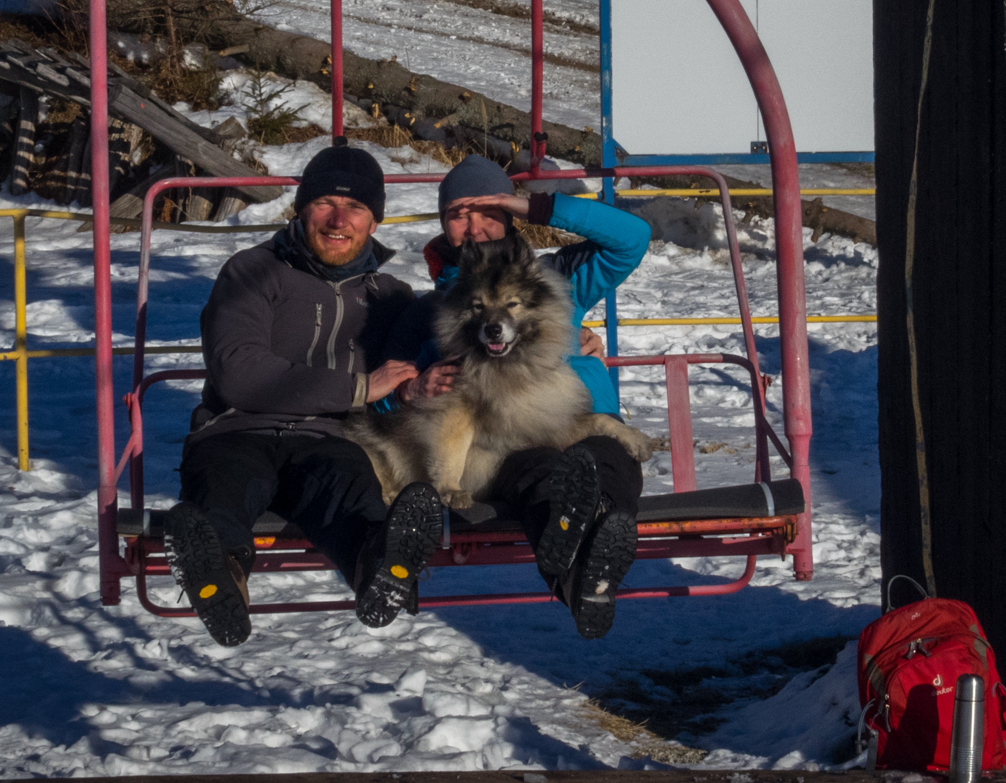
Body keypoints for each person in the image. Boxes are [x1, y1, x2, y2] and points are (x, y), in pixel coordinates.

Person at [163, 145, 450, 648]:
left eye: (356, 208)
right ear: (302, 208)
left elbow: (464, 327)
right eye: (325, 203)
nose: (339, 219)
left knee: (350, 492)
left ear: (374, 222)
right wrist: (359, 388)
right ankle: (220, 578)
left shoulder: (390, 297)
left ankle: (380, 567)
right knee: (224, 490)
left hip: (328, 437)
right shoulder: (252, 271)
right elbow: (239, 372)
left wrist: (566, 337)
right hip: (236, 429)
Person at [410, 153, 652, 637]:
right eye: (458, 214)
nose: (474, 227)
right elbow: (417, 380)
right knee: (540, 477)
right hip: (509, 442)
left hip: (583, 420)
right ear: (442, 225)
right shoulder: (438, 305)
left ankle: (597, 546)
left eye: (487, 211)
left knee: (608, 458)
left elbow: (632, 238)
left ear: (508, 214)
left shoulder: (555, 277)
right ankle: (583, 578)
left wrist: (535, 206)